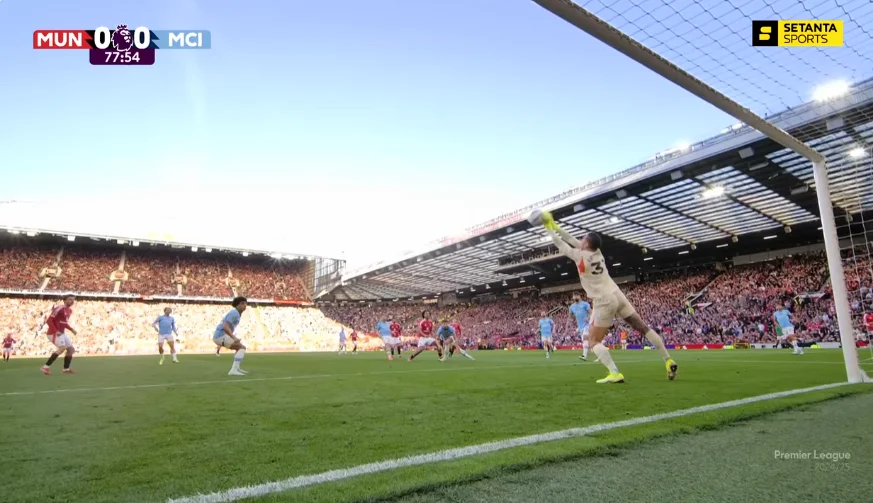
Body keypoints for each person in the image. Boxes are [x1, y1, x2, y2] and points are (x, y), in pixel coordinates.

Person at [539, 211, 677, 383]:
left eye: (583, 239)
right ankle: (668, 360)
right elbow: (572, 240)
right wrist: (554, 224)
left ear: (586, 243)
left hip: (604, 300)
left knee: (593, 341)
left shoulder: (580, 256)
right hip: (617, 293)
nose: (580, 240)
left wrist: (548, 227)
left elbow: (561, 243)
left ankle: (614, 372)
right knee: (643, 328)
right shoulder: (597, 253)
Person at [41, 294, 78, 376]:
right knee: (62, 348)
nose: (72, 301)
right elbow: (49, 320)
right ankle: (45, 367)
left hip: (62, 333)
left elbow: (63, 323)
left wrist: (71, 329)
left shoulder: (69, 310)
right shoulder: (59, 308)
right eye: (70, 299)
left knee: (71, 349)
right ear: (64, 300)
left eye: (73, 299)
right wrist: (56, 330)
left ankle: (66, 369)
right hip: (53, 333)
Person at [213, 297, 249, 376]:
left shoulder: (237, 313)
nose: (245, 305)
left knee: (239, 348)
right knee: (242, 348)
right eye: (242, 303)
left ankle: (236, 368)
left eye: (246, 303)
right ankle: (234, 370)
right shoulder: (234, 313)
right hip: (220, 335)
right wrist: (234, 337)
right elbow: (225, 326)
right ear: (237, 305)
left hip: (220, 335)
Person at [569, 294, 593, 361]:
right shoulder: (572, 307)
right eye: (574, 296)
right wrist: (573, 318)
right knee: (586, 341)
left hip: (587, 325)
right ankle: (600, 352)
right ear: (573, 297)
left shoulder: (585, 304)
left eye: (577, 295)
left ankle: (584, 356)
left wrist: (588, 317)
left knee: (585, 338)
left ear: (579, 296)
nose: (575, 297)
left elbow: (591, 312)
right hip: (580, 327)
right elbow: (570, 316)